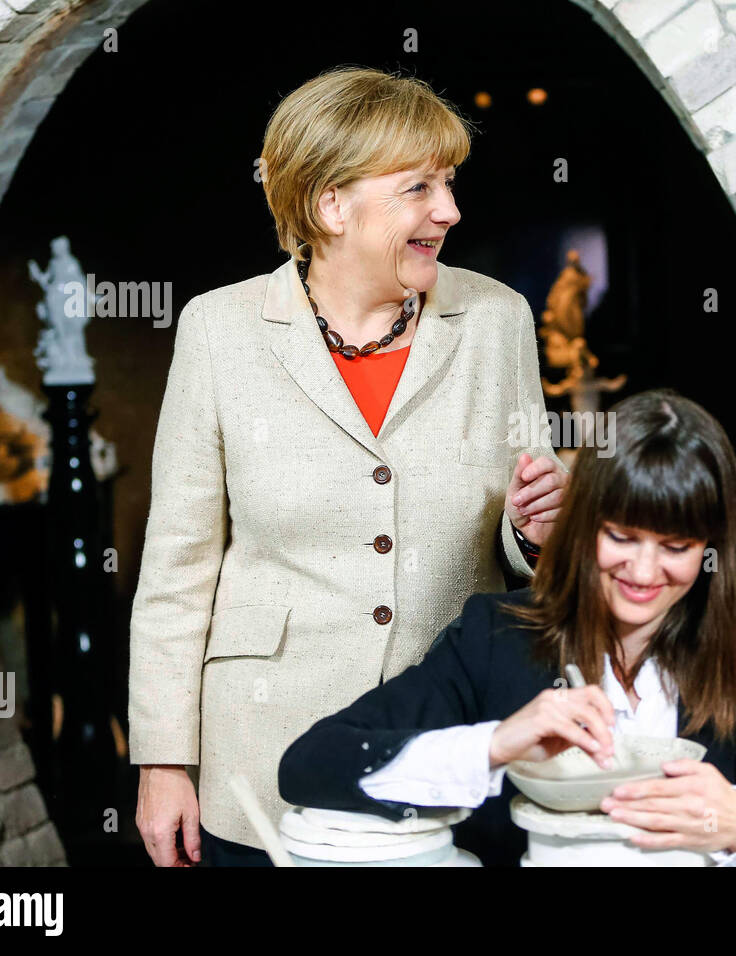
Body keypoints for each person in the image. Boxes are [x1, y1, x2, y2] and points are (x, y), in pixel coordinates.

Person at [128, 67, 567, 866]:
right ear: (331, 205)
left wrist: (538, 531)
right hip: (261, 754)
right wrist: (163, 762)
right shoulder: (218, 330)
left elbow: (523, 541)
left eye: (450, 183)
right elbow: (177, 567)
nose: (449, 210)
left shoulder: (498, 319)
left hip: (446, 743)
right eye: (419, 187)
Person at [279, 390, 736, 866]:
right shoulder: (496, 636)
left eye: (676, 547)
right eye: (621, 538)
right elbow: (309, 765)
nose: (645, 572)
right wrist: (497, 744)